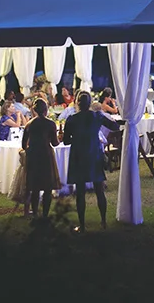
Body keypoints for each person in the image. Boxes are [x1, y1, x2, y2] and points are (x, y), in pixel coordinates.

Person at [63, 91, 119, 233]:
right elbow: (115, 126)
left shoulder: (72, 119)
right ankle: (103, 221)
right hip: (94, 154)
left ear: (77, 103)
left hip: (79, 155)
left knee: (80, 192)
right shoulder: (97, 116)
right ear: (89, 103)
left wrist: (76, 137)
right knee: (99, 189)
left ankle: (82, 225)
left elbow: (66, 140)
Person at [23, 98, 59, 220]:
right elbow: (54, 143)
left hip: (33, 155)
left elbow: (23, 144)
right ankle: (45, 214)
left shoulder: (29, 124)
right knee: (47, 186)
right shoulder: (50, 124)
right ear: (46, 110)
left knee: (35, 186)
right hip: (46, 155)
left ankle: (35, 213)